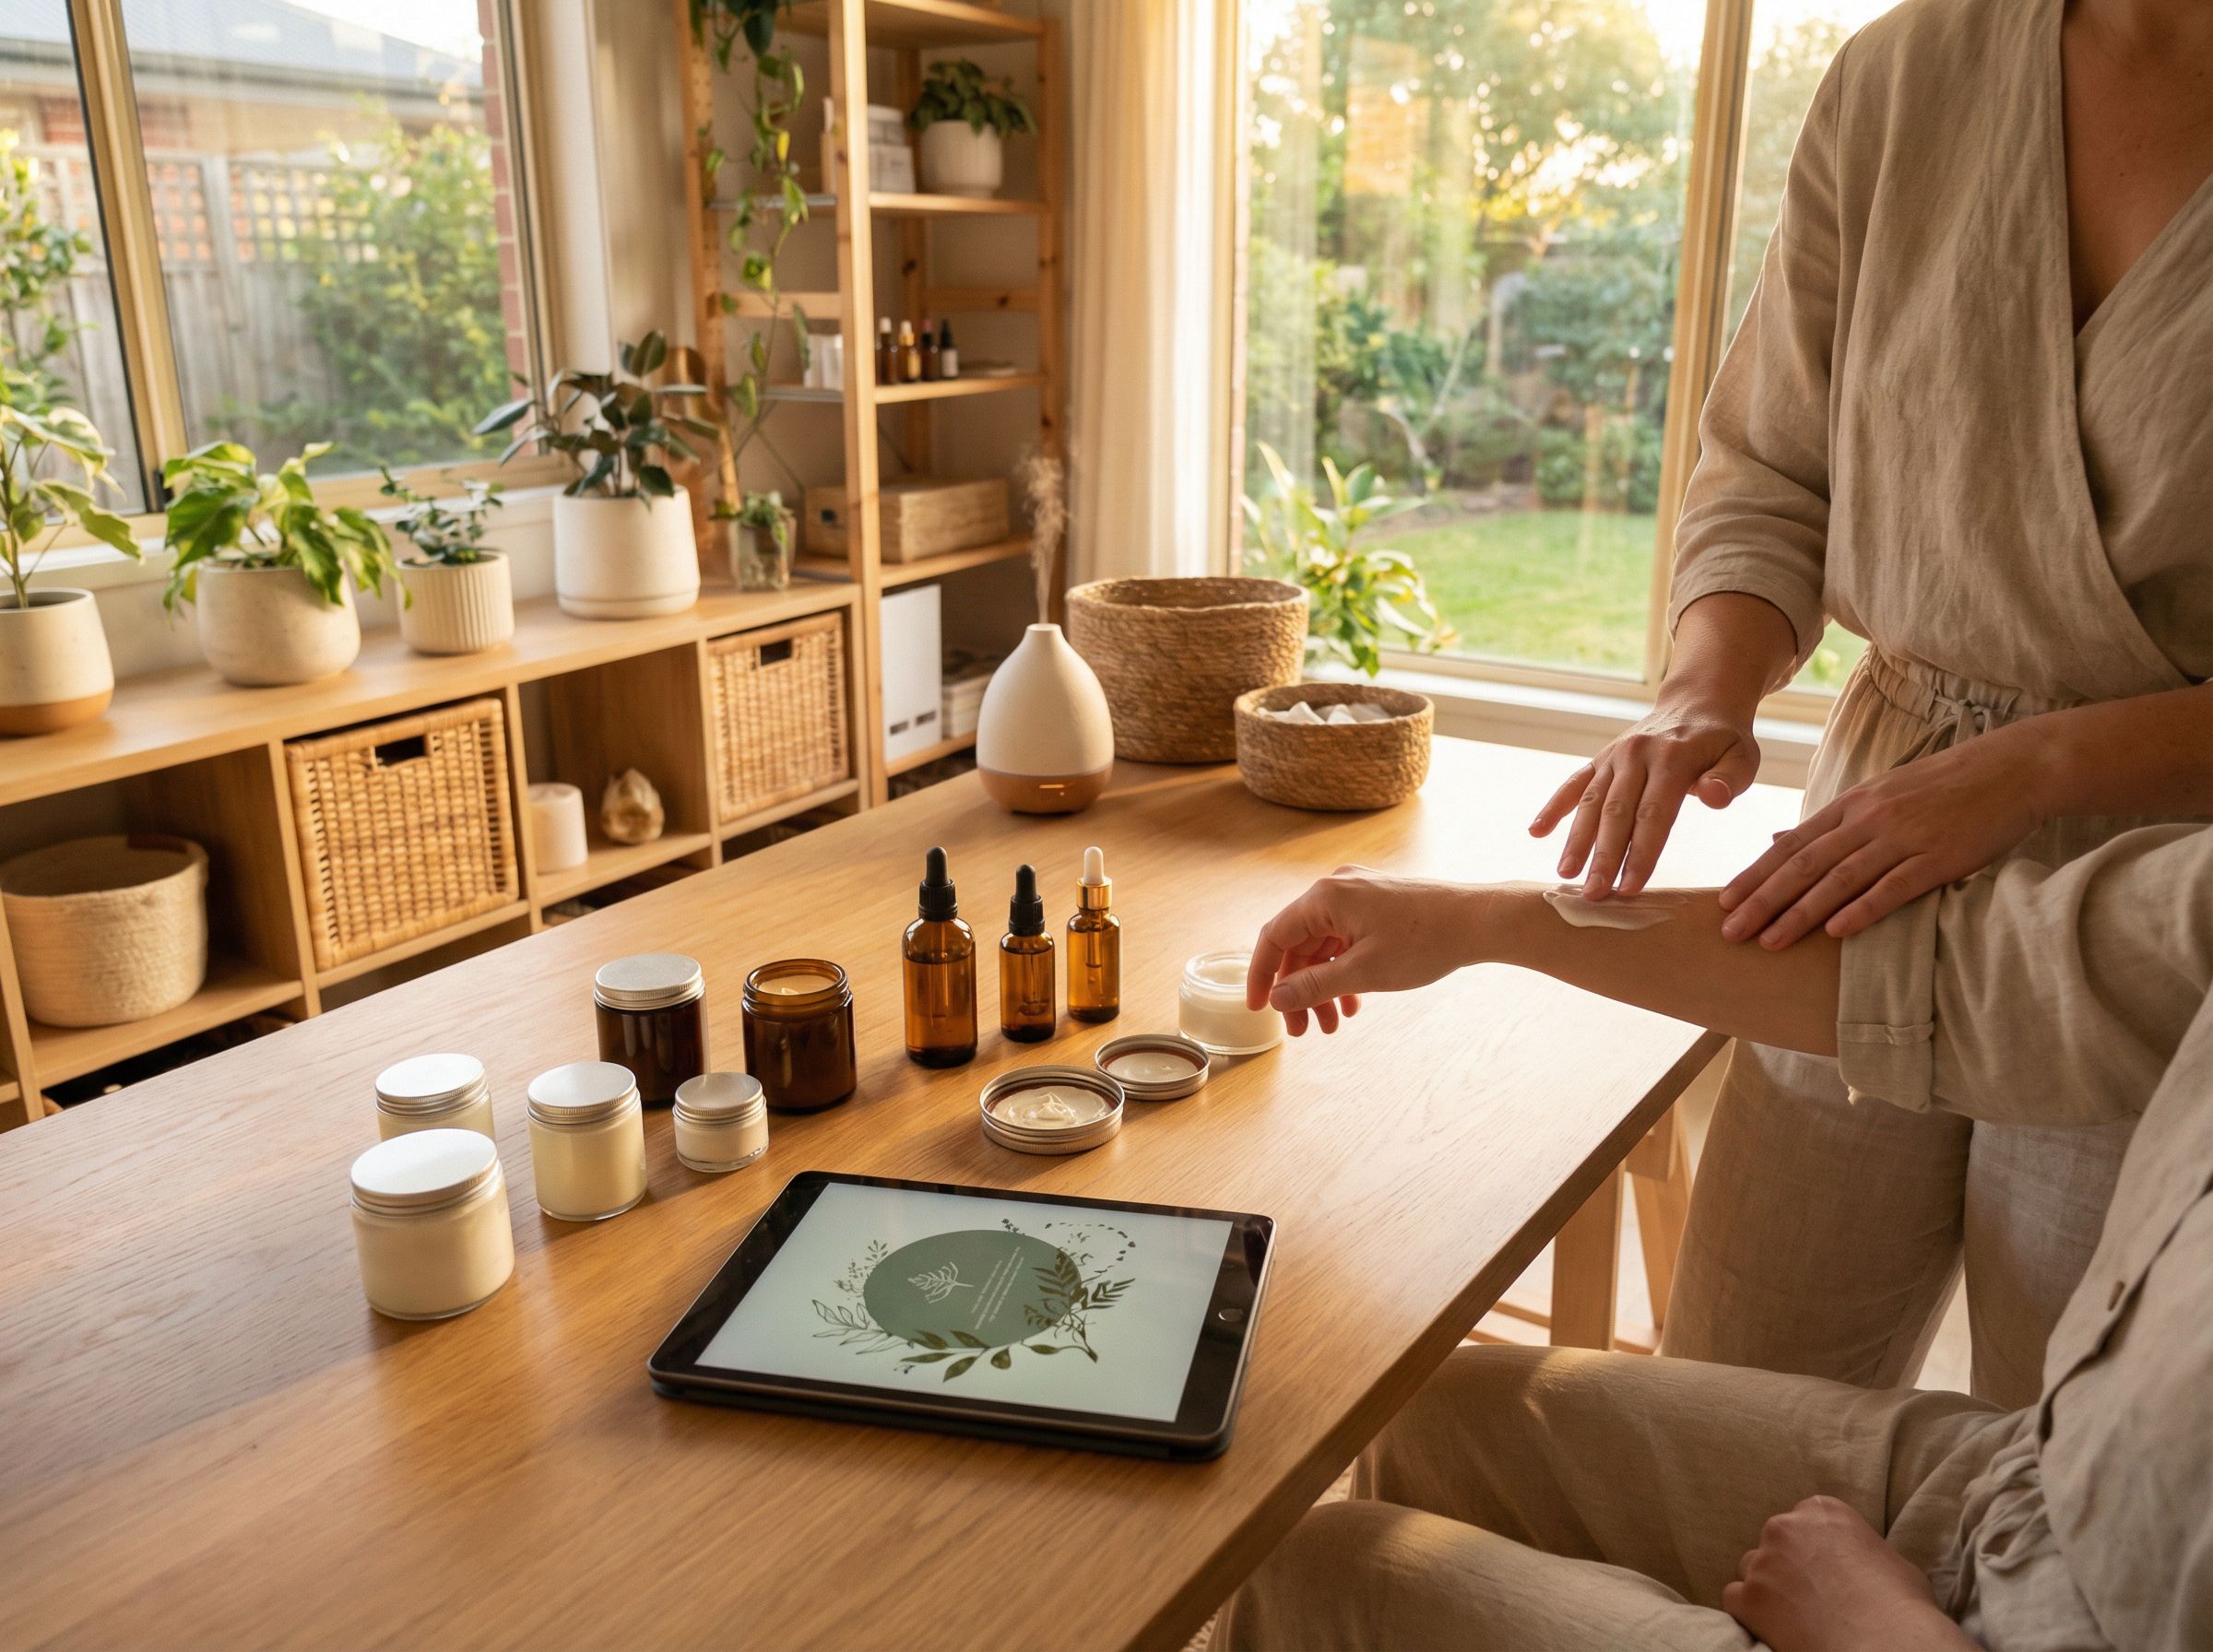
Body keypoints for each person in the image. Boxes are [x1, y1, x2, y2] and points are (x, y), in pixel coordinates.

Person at [1524, 0, 2213, 1406]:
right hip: (1868, 838)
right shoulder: (1904, 79)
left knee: (2052, 1449)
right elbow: (1770, 468)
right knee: (1732, 1390)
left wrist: (2038, 768)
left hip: (2160, 893)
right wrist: (1700, 691)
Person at [1219, 827, 2213, 1649]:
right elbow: (1976, 974)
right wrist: (1474, 919)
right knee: (1445, 1409)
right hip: (2042, 1489)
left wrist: (1873, 1626)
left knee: (1315, 1572)